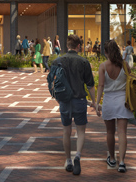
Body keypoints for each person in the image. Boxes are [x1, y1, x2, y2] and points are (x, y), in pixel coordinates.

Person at [56, 34, 96, 175]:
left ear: (67, 45)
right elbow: (90, 85)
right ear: (78, 46)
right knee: (81, 131)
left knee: (66, 131)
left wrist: (58, 98)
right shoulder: (83, 62)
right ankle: (77, 156)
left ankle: (68, 160)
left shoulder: (58, 61)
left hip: (65, 101)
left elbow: (53, 83)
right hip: (79, 101)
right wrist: (95, 103)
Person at [95, 40, 135, 173]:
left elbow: (100, 86)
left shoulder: (103, 66)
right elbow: (131, 80)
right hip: (123, 101)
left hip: (109, 101)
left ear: (105, 52)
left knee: (110, 132)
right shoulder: (124, 65)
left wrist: (97, 103)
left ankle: (112, 159)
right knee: (122, 132)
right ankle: (122, 162)